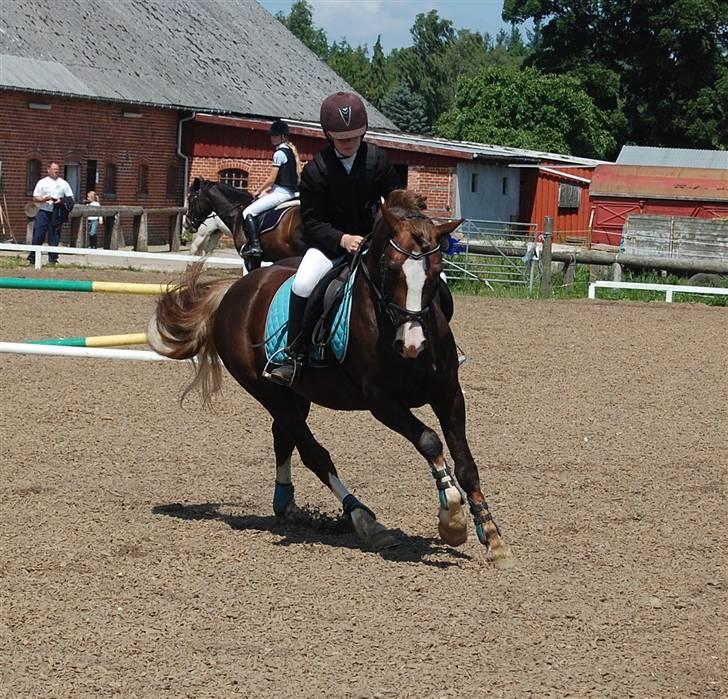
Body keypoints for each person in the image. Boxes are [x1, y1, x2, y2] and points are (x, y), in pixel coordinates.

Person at [266, 91, 400, 386]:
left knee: (427, 280)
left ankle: (438, 346)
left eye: (354, 136)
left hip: (373, 242)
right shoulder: (316, 171)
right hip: (330, 245)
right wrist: (342, 240)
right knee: (302, 284)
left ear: (363, 131)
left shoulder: (377, 160)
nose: (349, 143)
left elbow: (395, 200)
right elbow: (312, 222)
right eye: (342, 139)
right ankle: (294, 354)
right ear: (328, 136)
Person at [239, 120, 301, 259]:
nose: (271, 138)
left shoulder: (279, 153)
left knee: (248, 212)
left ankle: (255, 245)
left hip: (282, 193)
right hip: (291, 193)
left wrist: (257, 191)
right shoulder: (290, 151)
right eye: (271, 135)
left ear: (283, 137)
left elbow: (271, 179)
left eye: (275, 135)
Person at [27, 161, 74, 265]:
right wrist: (44, 199)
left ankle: (53, 259)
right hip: (44, 211)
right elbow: (35, 197)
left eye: (57, 170)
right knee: (38, 235)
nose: (56, 171)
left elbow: (70, 198)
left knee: (54, 236)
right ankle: (33, 258)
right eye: (54, 169)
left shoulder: (63, 183)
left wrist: (61, 201)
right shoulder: (42, 182)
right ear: (48, 170)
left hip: (56, 212)